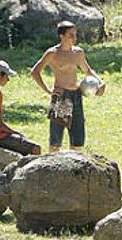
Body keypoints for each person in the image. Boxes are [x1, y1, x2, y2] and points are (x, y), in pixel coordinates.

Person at [31, 20, 105, 152]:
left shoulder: (78, 53)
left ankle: (75, 167)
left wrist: (100, 82)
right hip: (61, 96)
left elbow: (87, 70)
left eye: (75, 35)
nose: (74, 38)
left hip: (76, 94)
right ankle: (52, 166)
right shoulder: (52, 53)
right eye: (71, 35)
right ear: (62, 36)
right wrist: (49, 91)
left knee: (78, 138)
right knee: (56, 140)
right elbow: (35, 72)